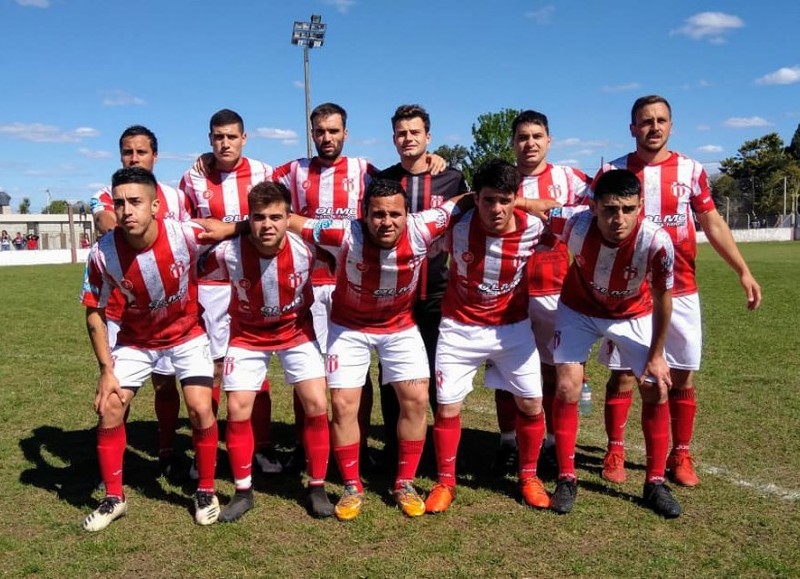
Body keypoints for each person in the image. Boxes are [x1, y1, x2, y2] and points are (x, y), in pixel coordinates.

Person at [594, 95, 762, 487]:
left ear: (671, 125)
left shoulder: (690, 169)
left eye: (661, 120)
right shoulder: (611, 171)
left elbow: (712, 222)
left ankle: (680, 454)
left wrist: (743, 270)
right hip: (628, 293)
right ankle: (615, 448)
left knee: (682, 376)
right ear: (632, 128)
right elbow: (592, 225)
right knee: (621, 374)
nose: (654, 127)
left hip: (681, 289)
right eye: (645, 121)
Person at [288, 178, 465, 521]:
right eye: (378, 214)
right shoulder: (341, 233)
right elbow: (291, 220)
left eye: (395, 214)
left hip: (399, 327)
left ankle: (404, 483)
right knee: (343, 404)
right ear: (364, 215)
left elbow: (460, 203)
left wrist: (520, 203)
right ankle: (353, 485)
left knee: (415, 399)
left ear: (408, 214)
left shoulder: (424, 227)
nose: (387, 222)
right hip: (348, 327)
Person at [80, 166, 233, 531]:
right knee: (110, 408)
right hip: (136, 340)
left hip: (186, 334)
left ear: (155, 205)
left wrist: (248, 226)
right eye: (119, 203)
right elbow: (94, 313)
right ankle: (114, 498)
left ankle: (206, 489)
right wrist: (106, 370)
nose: (126, 210)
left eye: (135, 201)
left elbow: (222, 228)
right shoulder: (102, 254)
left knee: (199, 407)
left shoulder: (182, 234)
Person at [548, 169, 681, 518]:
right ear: (593, 207)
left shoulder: (656, 242)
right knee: (566, 386)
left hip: (632, 313)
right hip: (578, 309)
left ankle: (654, 482)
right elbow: (538, 208)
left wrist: (657, 355)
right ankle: (566, 477)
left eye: (627, 208)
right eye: (609, 209)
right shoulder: (574, 225)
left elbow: (664, 299)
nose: (618, 218)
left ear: (640, 207)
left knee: (656, 387)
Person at [424, 159, 552, 514]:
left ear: (517, 199)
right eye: (487, 200)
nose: (496, 209)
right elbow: (421, 228)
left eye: (505, 200)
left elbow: (572, 219)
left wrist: (528, 204)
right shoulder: (455, 227)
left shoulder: (535, 228)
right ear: (476, 198)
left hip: (512, 329)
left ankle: (529, 476)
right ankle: (445, 482)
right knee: (447, 406)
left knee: (530, 404)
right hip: (459, 328)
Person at [202, 181, 334, 521]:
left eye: (276, 217)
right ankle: (243, 491)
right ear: (249, 219)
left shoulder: (307, 250)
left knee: (317, 402)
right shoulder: (228, 253)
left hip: (295, 332)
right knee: (238, 408)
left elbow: (341, 261)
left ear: (289, 217)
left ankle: (316, 487)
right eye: (259, 217)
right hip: (247, 336)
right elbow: (194, 271)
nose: (267, 225)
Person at [490, 110, 591, 477]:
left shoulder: (571, 178)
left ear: (549, 140)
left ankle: (550, 444)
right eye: (522, 137)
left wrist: (537, 207)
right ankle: (507, 443)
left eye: (536, 136)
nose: (529, 143)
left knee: (552, 372)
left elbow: (599, 204)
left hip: (554, 290)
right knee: (505, 374)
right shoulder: (502, 178)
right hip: (507, 291)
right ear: (513, 142)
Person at [180, 109, 281, 475]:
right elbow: (182, 225)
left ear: (244, 138)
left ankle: (263, 446)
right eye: (218, 137)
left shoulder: (265, 173)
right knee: (211, 368)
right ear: (210, 139)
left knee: (257, 363)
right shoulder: (193, 176)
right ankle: (205, 448)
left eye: (231, 136)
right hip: (209, 283)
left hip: (254, 280)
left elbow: (276, 215)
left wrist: (229, 229)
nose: (224, 143)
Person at [89, 125, 191, 477]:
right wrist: (118, 218)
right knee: (120, 388)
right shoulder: (106, 195)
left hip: (168, 309)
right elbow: (104, 219)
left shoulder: (176, 197)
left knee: (166, 381)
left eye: (141, 151)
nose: (135, 158)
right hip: (122, 309)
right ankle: (118, 456)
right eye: (128, 152)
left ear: (155, 156)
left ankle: (165, 449)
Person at [375, 104, 469, 469]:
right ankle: (393, 446)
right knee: (390, 374)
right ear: (394, 138)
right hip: (393, 296)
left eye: (415, 132)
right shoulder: (383, 178)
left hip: (436, 292)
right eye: (401, 133)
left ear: (428, 137)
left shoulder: (451, 178)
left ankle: (430, 448)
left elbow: (468, 216)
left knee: (433, 371)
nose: (408, 138)